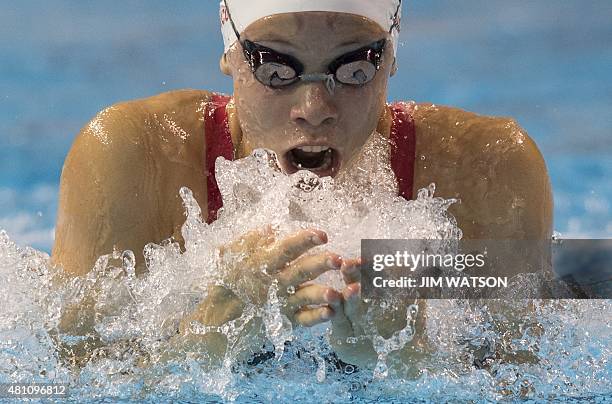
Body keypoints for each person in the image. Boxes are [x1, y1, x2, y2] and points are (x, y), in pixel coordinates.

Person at [51, 0, 553, 369]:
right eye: (276, 69)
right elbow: (60, 376)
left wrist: (408, 365)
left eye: (354, 69)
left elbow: (540, 375)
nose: (313, 110)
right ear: (231, 56)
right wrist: (201, 344)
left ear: (391, 60)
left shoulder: (487, 169)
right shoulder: (135, 158)